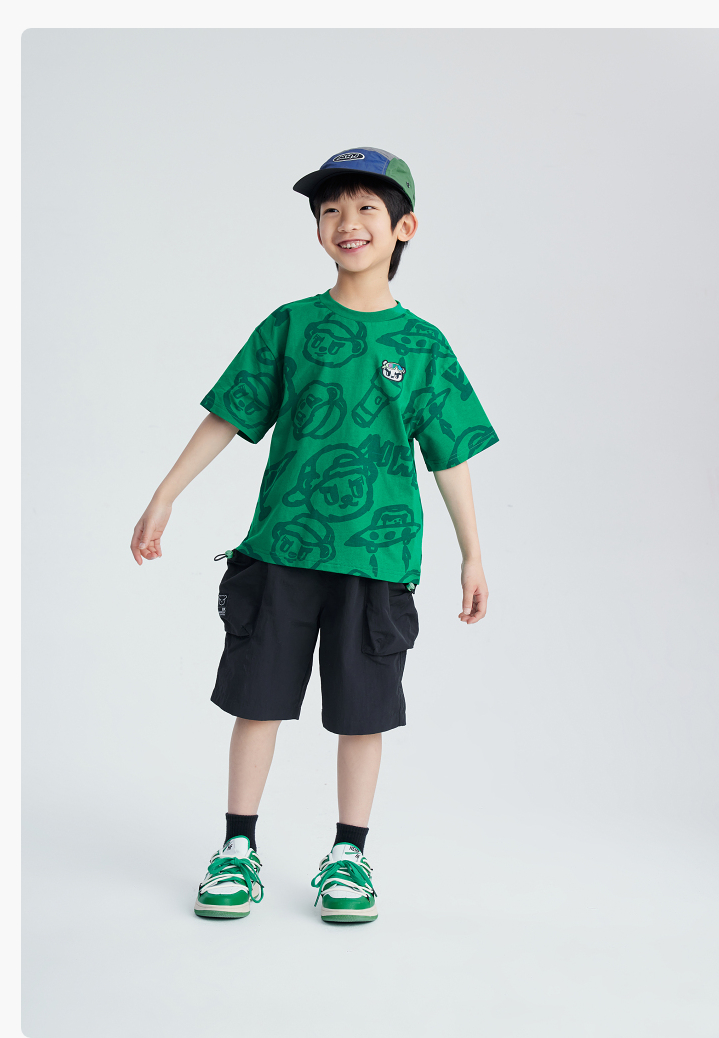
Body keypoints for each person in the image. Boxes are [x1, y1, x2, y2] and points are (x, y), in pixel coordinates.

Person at [130, 147, 499, 924]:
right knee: (257, 701)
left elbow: (450, 455)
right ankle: (237, 848)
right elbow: (230, 414)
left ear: (404, 228)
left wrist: (473, 554)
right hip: (280, 553)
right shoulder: (291, 326)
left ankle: (349, 855)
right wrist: (165, 495)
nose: (346, 222)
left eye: (366, 208)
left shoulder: (422, 345)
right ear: (318, 229)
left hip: (377, 559)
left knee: (364, 711)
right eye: (331, 210)